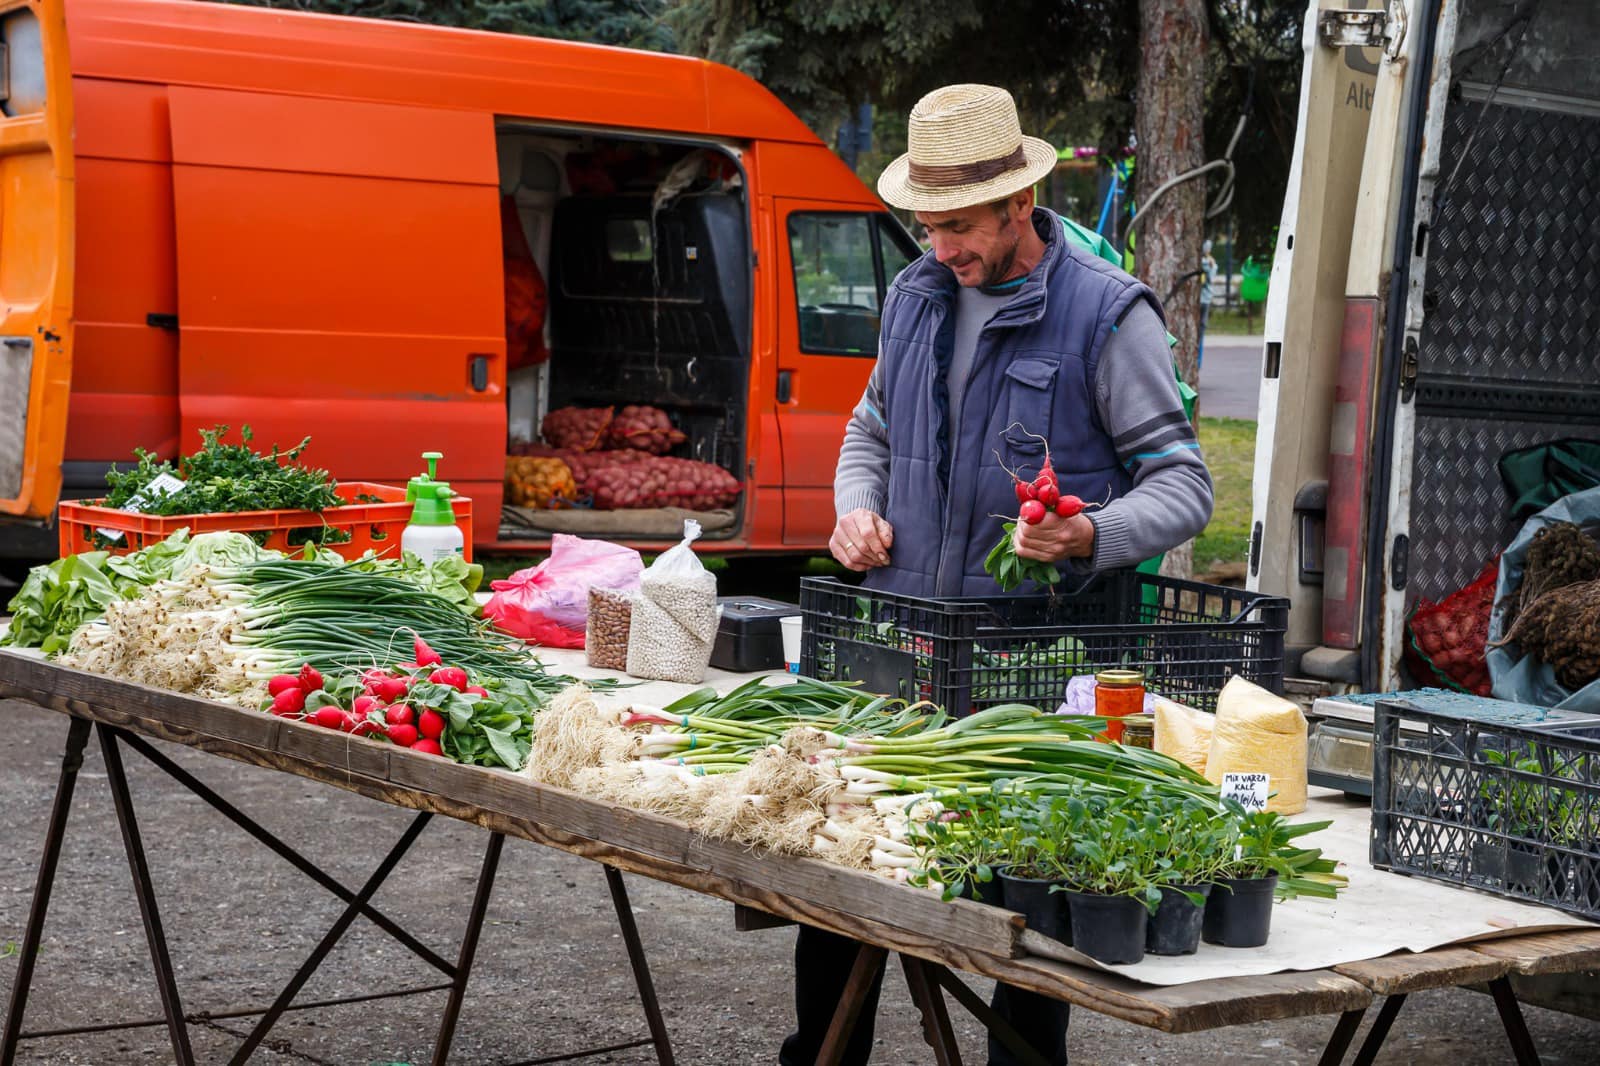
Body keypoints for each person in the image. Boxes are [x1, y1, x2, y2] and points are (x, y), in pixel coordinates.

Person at [783, 84, 1213, 1066]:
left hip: (1032, 673)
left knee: (1014, 915)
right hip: (898, 657)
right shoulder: (913, 295)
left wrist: (1088, 534)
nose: (941, 249)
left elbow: (1184, 484)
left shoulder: (1107, 317)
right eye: (926, 226)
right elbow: (869, 430)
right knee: (843, 880)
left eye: (959, 227)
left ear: (1021, 202)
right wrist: (854, 507)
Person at [1198, 238, 1219, 367]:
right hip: (1203, 299)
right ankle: (1197, 361)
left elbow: (1210, 278)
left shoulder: (1210, 262)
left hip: (1204, 298)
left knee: (1201, 328)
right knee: (1200, 328)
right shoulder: (1208, 262)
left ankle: (1197, 361)